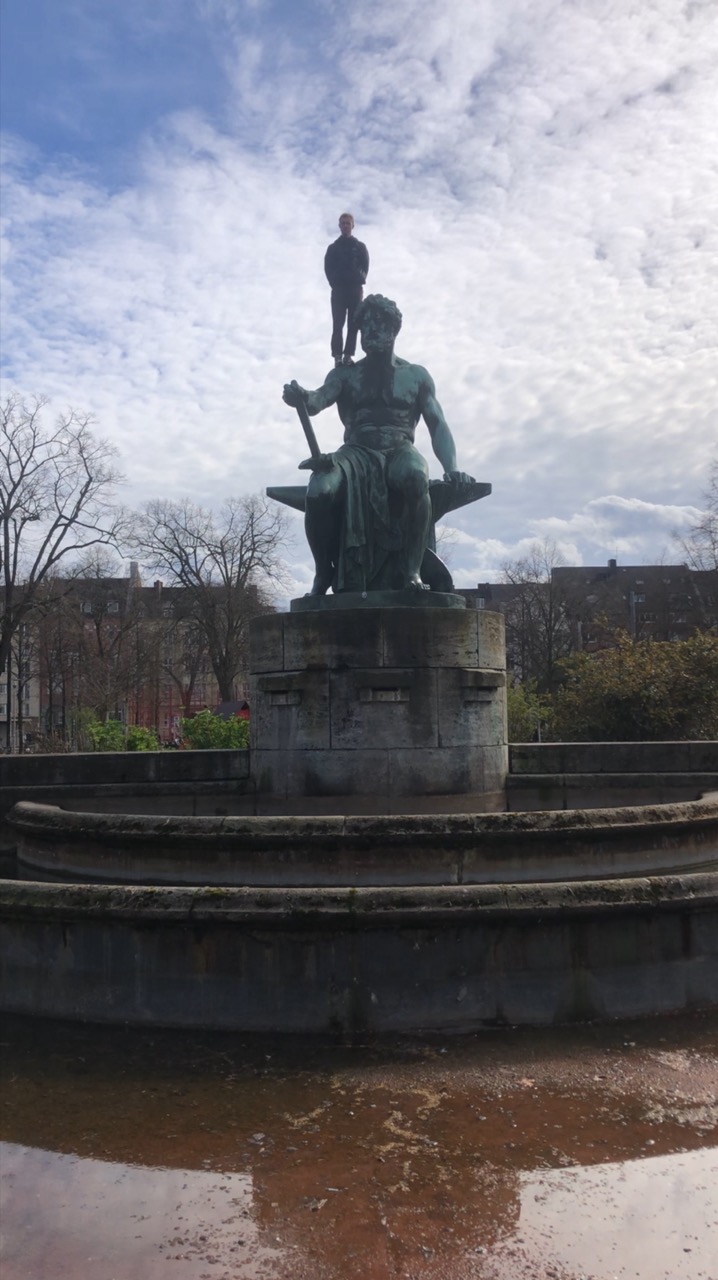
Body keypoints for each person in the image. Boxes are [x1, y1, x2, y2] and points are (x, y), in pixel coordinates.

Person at [283, 294, 475, 595]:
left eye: (379, 324)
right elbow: (317, 400)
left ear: (394, 329)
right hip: (355, 453)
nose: (370, 331)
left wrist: (452, 468)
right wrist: (301, 397)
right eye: (365, 326)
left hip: (399, 448)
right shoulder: (345, 374)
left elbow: (436, 423)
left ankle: (411, 571)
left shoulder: (416, 376)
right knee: (319, 491)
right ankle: (323, 574)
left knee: (415, 478)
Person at [324, 212, 369, 368]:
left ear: (352, 226)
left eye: (347, 223)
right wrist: (336, 281)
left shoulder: (360, 247)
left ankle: (348, 355)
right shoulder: (333, 248)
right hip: (338, 290)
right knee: (338, 324)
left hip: (355, 289)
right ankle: (337, 356)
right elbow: (327, 269)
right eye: (342, 223)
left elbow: (365, 266)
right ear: (339, 226)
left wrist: (358, 277)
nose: (345, 226)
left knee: (353, 324)